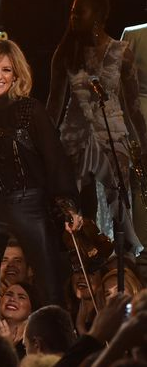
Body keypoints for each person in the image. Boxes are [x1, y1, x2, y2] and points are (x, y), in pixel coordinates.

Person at [0, 39, 81, 337]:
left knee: (50, 292)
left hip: (31, 206)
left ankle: (56, 353)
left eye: (6, 70)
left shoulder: (30, 110)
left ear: (16, 75)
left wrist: (69, 203)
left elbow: (55, 158)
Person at [46, 0, 147, 258]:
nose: (74, 16)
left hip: (113, 138)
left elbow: (133, 107)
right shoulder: (66, 52)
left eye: (80, 11)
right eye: (71, 12)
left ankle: (119, 268)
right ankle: (86, 262)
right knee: (80, 209)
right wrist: (44, 147)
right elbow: (53, 106)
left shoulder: (120, 51)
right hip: (75, 139)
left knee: (117, 208)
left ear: (100, 14)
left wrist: (144, 148)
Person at [121, 22, 147, 283]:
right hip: (139, 124)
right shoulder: (134, 35)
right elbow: (120, 86)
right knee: (141, 190)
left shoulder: (133, 35)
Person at [0, 282, 40, 359]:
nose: (12, 299)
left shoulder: (35, 345)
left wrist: (7, 348)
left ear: (32, 309)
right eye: (9, 294)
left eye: (21, 297)